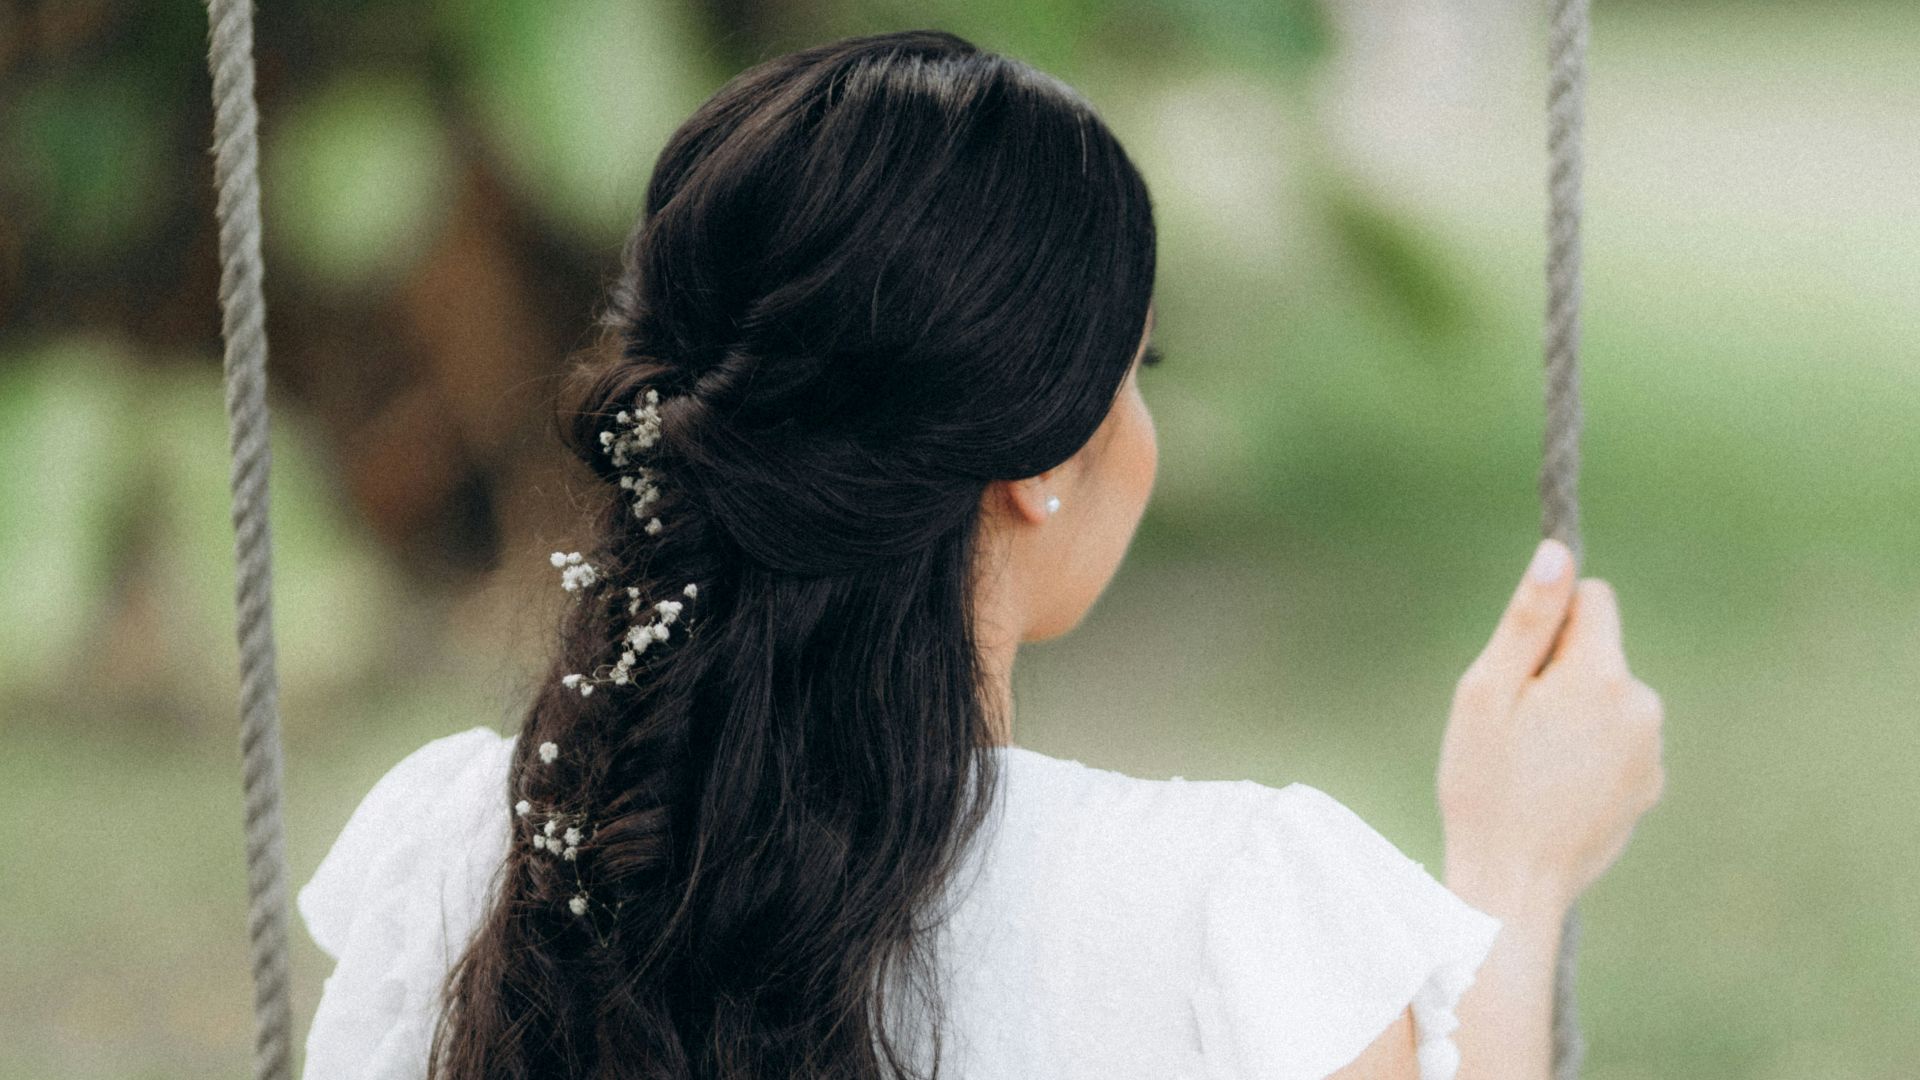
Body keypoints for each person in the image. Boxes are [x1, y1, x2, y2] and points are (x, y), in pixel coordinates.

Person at [295, 28, 1664, 1080]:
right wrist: (1517, 863)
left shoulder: (468, 857)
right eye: (1138, 369)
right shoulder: (1223, 924)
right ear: (1040, 462)